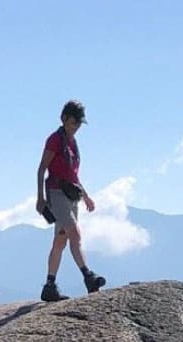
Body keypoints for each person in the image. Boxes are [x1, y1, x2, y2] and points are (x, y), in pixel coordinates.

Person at [36, 100, 106, 301]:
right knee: (74, 234)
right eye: (74, 122)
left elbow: (73, 175)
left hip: (70, 194)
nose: (76, 127)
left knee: (61, 240)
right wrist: (40, 198)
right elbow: (42, 168)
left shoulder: (71, 143)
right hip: (57, 193)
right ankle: (88, 276)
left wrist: (86, 196)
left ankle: (49, 286)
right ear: (65, 118)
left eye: (78, 124)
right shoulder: (55, 140)